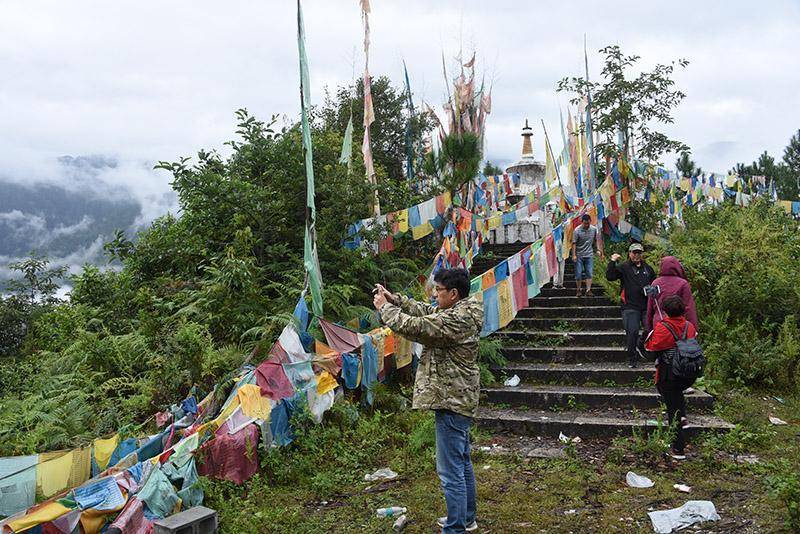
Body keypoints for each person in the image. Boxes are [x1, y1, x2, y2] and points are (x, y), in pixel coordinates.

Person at [373, 268, 483, 533]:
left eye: (439, 291)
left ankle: (455, 527)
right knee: (461, 461)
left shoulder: (456, 320)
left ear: (454, 294)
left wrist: (384, 309)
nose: (434, 295)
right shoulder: (458, 311)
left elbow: (417, 326)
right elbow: (425, 311)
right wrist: (395, 299)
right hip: (456, 398)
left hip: (451, 400)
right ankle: (466, 518)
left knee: (450, 470)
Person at [645, 295, 698, 460]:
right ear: (683, 310)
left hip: (669, 373)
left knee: (671, 409)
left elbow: (652, 347)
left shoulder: (663, 327)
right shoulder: (689, 326)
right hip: (687, 372)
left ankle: (678, 448)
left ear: (666, 311)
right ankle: (683, 417)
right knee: (677, 398)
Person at [606, 243, 656, 368]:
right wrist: (612, 261)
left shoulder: (648, 269)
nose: (636, 255)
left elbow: (654, 284)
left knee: (650, 330)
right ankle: (632, 357)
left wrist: (652, 291)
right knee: (632, 331)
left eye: (639, 252)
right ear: (629, 253)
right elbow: (610, 276)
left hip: (646, 305)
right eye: (634, 252)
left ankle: (641, 344)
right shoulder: (624, 267)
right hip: (629, 306)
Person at [645, 256, 698, 333]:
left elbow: (650, 309)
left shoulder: (655, 283)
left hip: (659, 323)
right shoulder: (683, 284)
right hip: (678, 324)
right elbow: (689, 308)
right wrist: (693, 328)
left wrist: (649, 328)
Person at [571, 213, 598, 296]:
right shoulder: (577, 230)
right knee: (578, 273)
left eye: (588, 223)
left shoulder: (593, 229)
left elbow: (596, 240)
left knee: (589, 272)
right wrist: (574, 255)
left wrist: (597, 250)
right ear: (581, 222)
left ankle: (588, 290)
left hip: (589, 254)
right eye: (585, 223)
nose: (587, 225)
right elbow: (574, 243)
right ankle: (578, 289)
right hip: (579, 254)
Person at [545, 201, 565, 289]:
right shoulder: (550, 224)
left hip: (562, 247)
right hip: (554, 247)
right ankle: (556, 283)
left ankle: (560, 283)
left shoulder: (563, 226)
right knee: (556, 266)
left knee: (561, 266)